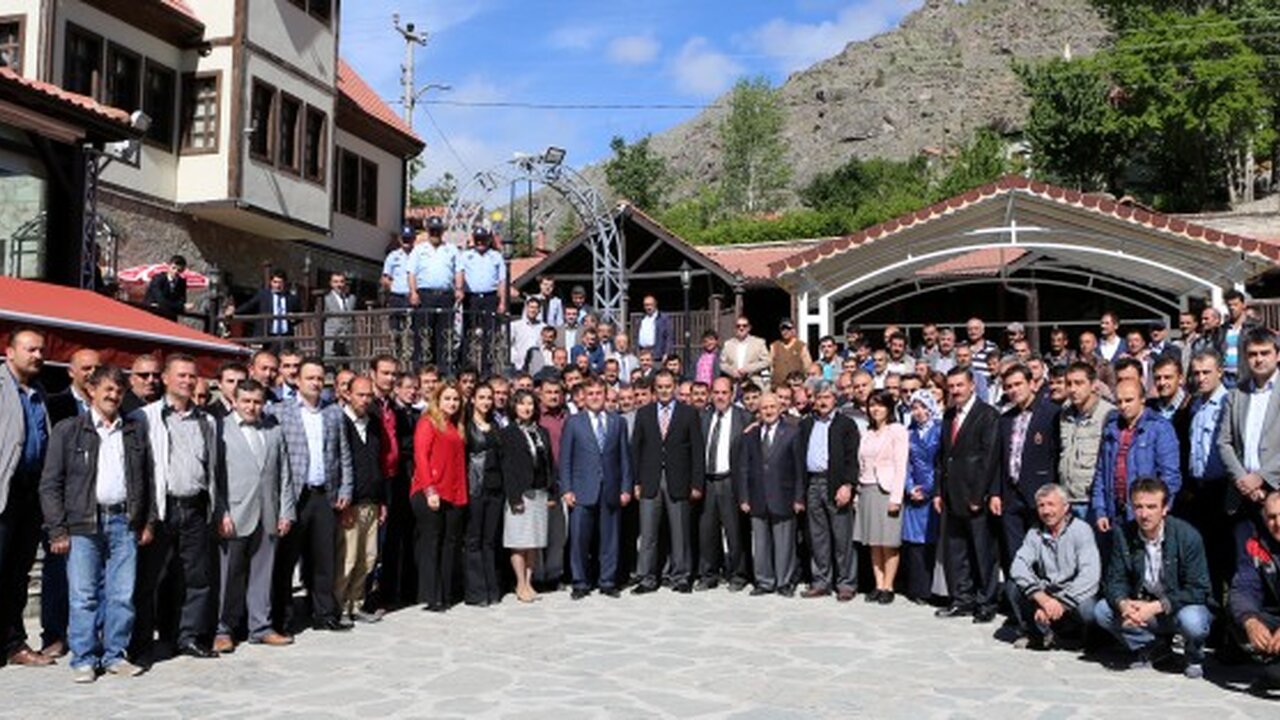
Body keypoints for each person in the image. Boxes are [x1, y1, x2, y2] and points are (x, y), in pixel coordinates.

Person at [39, 366, 151, 682]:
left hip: (124, 521)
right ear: (91, 390)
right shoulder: (68, 430)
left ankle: (115, 654)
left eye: (119, 391)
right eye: (108, 389)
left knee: (121, 595)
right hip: (83, 523)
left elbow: (147, 478)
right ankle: (84, 658)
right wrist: (57, 529)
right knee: (83, 596)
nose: (114, 396)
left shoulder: (134, 430)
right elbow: (50, 484)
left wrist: (147, 521)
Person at [132, 354, 221, 661]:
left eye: (192, 376)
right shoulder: (146, 417)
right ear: (166, 378)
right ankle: (142, 641)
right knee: (151, 578)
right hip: (161, 508)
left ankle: (188, 637)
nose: (187, 381)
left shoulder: (207, 421)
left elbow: (213, 467)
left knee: (196, 577)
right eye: (181, 375)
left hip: (195, 507)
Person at [1094, 477, 1211, 679]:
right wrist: (1123, 604)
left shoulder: (1187, 536)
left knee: (1193, 621)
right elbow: (1115, 580)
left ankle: (1193, 655)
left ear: (1165, 509)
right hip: (1142, 606)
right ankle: (1153, 647)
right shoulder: (1123, 534)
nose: (1144, 514)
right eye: (1138, 507)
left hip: (1178, 607)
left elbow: (1198, 589)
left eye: (1151, 507)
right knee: (1102, 611)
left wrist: (1156, 606)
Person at [269, 358, 354, 634]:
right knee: (286, 558)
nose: (316, 383)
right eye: (310, 378)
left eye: (320, 378)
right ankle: (282, 616)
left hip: (324, 494)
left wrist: (345, 488)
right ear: (297, 381)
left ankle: (323, 613)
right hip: (294, 494)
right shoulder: (279, 411)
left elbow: (343, 453)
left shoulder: (334, 413)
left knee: (323, 558)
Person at [212, 378, 295, 654]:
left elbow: (284, 473)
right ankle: (223, 629)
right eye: (246, 401)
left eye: (257, 402)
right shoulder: (220, 429)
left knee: (263, 574)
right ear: (234, 401)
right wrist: (221, 511)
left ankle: (261, 626)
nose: (251, 406)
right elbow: (214, 477)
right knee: (229, 576)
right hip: (234, 514)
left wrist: (286, 510)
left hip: (268, 512)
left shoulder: (273, 430)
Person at [38, 347, 101, 660]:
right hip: (62, 505)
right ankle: (55, 634)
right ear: (70, 372)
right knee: (57, 573)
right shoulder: (55, 404)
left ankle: (91, 635)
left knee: (95, 577)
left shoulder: (110, 405)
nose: (91, 373)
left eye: (96, 368)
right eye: (85, 368)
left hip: (98, 505)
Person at [934, 366, 1002, 623]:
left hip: (975, 497)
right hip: (952, 495)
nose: (955, 391)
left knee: (982, 552)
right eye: (951, 386)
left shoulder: (987, 415)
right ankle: (962, 599)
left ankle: (986, 602)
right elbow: (943, 456)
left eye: (960, 385)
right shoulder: (948, 415)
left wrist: (978, 494)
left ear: (972, 385)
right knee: (957, 552)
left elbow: (989, 457)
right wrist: (939, 492)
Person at [630, 369, 705, 594]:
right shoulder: (644, 413)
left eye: (668, 386)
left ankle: (681, 576)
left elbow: (697, 451)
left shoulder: (688, 413)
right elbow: (636, 450)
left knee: (680, 532)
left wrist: (696, 483)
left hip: (679, 480)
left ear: (675, 387)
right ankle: (647, 577)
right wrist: (636, 482)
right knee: (648, 533)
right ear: (655, 389)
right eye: (660, 387)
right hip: (650, 480)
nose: (664, 391)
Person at [560, 378, 632, 599]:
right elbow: (565, 459)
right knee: (579, 538)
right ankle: (580, 582)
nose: (594, 397)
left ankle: (607, 581)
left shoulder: (618, 422)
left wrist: (626, 488)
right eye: (590, 393)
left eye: (599, 393)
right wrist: (567, 489)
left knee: (610, 538)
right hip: (582, 489)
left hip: (610, 488)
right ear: (583, 396)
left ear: (605, 394)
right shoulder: (573, 423)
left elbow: (624, 458)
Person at [1007, 484, 1100, 651]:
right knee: (1013, 585)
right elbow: (1019, 564)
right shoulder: (1035, 532)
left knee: (1090, 610)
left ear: (1065, 507)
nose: (1046, 511)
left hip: (1073, 592)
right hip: (1047, 591)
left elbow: (1090, 575)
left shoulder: (1081, 530)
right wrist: (1041, 598)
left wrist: (1061, 604)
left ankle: (1085, 637)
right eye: (1041, 505)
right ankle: (1035, 633)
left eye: (1051, 504)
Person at [992, 365, 1060, 574]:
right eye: (1009, 386)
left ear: (1032, 384)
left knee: (1042, 551)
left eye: (1018, 384)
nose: (1013, 390)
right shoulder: (1005, 419)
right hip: (1010, 494)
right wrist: (995, 493)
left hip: (1039, 493)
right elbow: (999, 458)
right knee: (1015, 552)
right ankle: (1020, 591)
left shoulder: (1051, 413)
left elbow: (1055, 455)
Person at [1092, 379, 1182, 535]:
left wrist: (1160, 508)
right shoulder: (1111, 429)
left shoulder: (1159, 428)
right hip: (1116, 512)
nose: (1123, 406)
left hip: (1146, 513)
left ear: (1142, 399)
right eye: (1119, 401)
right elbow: (1101, 472)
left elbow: (1170, 475)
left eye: (1129, 400)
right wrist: (1100, 510)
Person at [737, 392, 804, 597]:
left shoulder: (792, 433)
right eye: (764, 408)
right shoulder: (751, 435)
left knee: (784, 542)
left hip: (784, 495)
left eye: (772, 407)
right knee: (760, 543)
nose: (768, 411)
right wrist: (744, 497)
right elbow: (744, 467)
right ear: (759, 411)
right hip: (757, 496)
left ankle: (784, 581)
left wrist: (799, 498)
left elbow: (799, 469)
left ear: (780, 408)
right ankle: (764, 581)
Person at [799, 381, 861, 601]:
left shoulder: (846, 424)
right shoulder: (807, 424)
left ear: (835, 399)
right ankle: (821, 581)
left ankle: (846, 583)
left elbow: (852, 457)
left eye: (827, 397)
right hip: (812, 483)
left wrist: (848, 485)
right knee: (818, 537)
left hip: (836, 484)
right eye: (819, 397)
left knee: (842, 536)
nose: (823, 401)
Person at [1180, 351, 1233, 599]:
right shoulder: (1195, 405)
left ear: (1220, 372)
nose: (1201, 378)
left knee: (1226, 555)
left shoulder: (1229, 403)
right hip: (1199, 489)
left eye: (1206, 372)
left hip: (1222, 487)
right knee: (1205, 555)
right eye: (1196, 373)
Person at [412, 381, 468, 612]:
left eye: (456, 399)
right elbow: (421, 457)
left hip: (453, 492)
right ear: (437, 400)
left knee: (449, 543)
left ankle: (445, 593)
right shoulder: (428, 422)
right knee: (432, 542)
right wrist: (430, 489)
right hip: (431, 491)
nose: (452, 403)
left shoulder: (456, 426)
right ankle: (431, 594)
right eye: (447, 398)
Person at [1219, 327, 1280, 537]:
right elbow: (1224, 442)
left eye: (1265, 353)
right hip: (1242, 494)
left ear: (1277, 355)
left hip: (1276, 490)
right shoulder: (1236, 394)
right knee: (1245, 554)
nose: (1259, 359)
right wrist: (1244, 480)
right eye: (1253, 354)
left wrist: (1261, 477)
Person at [335, 377, 385, 624]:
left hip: (372, 501)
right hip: (350, 503)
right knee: (348, 558)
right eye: (360, 395)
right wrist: (343, 502)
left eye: (369, 396)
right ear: (348, 394)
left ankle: (356, 604)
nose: (365, 400)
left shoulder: (374, 423)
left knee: (368, 557)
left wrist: (381, 500)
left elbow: (378, 462)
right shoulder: (340, 423)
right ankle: (340, 607)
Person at [698, 377, 752, 593]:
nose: (720, 397)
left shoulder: (744, 418)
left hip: (731, 480)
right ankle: (709, 574)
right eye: (717, 393)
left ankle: (738, 574)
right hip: (708, 481)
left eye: (724, 393)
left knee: (734, 531)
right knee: (707, 531)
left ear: (732, 394)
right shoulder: (704, 417)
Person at [501, 389, 555, 603]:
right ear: (514, 407)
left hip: (539, 492)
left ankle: (529, 582)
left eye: (530, 403)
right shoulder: (508, 433)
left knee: (534, 541)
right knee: (519, 540)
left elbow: (549, 462)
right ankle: (520, 583)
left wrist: (551, 490)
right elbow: (507, 467)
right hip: (520, 494)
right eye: (522, 403)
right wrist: (514, 497)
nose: (527, 408)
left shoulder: (541, 431)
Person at [855, 391, 908, 603]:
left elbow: (901, 465)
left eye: (880, 405)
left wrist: (896, 497)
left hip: (886, 490)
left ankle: (888, 585)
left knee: (888, 541)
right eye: (872, 405)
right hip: (867, 489)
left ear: (888, 408)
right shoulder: (867, 432)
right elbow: (862, 463)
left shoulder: (896, 430)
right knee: (873, 541)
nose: (875, 409)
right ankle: (878, 584)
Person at [1228, 491, 1280, 693]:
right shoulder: (1254, 539)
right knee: (1238, 617)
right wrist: (1250, 620)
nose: (1278, 523)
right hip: (1274, 614)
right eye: (1272, 517)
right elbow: (1244, 585)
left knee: (1275, 675)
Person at [463, 383, 504, 607]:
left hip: (495, 488)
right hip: (475, 488)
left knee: (489, 540)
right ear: (473, 400)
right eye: (482, 397)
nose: (486, 402)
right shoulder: (467, 426)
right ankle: (476, 591)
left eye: (489, 397)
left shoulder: (495, 425)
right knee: (474, 540)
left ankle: (492, 588)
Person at [1059, 362, 1115, 519]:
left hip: (1092, 501)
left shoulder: (1108, 414)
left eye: (1079, 383)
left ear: (1093, 385)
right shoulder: (1065, 414)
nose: (1073, 389)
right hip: (1067, 497)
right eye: (1069, 384)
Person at [903, 390, 942, 604]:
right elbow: (905, 463)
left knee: (933, 541)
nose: (918, 412)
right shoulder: (909, 432)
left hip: (935, 492)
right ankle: (918, 589)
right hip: (914, 494)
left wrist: (929, 489)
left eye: (922, 407)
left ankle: (934, 589)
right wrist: (910, 487)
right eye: (914, 408)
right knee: (915, 543)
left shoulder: (940, 430)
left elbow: (941, 463)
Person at [408, 219, 462, 371]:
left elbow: (458, 270)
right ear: (427, 231)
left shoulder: (451, 249)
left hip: (446, 295)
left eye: (438, 230)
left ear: (442, 231)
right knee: (422, 334)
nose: (435, 233)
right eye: (432, 230)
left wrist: (459, 288)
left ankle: (443, 370)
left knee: (444, 334)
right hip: (425, 295)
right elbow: (411, 273)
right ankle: (421, 370)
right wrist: (413, 292)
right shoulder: (419, 250)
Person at [459, 227, 506, 376]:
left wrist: (502, 302)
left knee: (489, 333)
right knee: (468, 332)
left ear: (488, 240)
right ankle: (465, 366)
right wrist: (459, 290)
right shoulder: (465, 256)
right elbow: (459, 274)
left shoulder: (496, 256)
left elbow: (502, 280)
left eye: (483, 239)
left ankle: (487, 369)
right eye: (477, 239)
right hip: (471, 297)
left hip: (490, 297)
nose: (480, 242)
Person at [229, 269, 301, 346]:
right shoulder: (263, 295)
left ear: (285, 283)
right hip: (267, 337)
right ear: (271, 282)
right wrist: (234, 312)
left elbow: (299, 315)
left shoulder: (291, 298)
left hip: (285, 337)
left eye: (280, 282)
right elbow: (249, 306)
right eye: (275, 282)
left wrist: (294, 318)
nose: (277, 285)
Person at [382, 225, 417, 346]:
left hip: (413, 296)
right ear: (400, 239)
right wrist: (393, 287)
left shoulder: (418, 255)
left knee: (414, 329)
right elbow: (385, 277)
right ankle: (396, 351)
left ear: (414, 239)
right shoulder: (393, 256)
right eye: (404, 238)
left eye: (409, 238)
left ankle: (412, 353)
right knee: (395, 330)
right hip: (397, 297)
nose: (407, 241)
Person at [720, 316, 771, 390]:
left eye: (744, 326)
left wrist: (748, 369)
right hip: (734, 384)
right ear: (735, 329)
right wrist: (732, 371)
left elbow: (767, 361)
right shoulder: (728, 344)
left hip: (753, 383)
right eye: (738, 326)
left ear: (749, 328)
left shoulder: (759, 343)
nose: (741, 328)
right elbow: (722, 363)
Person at [1223, 290, 1261, 387]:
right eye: (1229, 305)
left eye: (1235, 304)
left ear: (1243, 305)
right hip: (1225, 377)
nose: (1231, 308)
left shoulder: (1254, 327)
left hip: (1246, 376)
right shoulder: (1223, 329)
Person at [143, 255, 190, 321]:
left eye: (179, 270)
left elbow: (182, 301)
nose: (175, 271)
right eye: (173, 268)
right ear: (169, 266)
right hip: (153, 316)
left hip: (170, 318)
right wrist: (179, 306)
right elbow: (161, 301)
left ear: (183, 270)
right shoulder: (158, 279)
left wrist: (180, 306)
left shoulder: (181, 282)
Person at [322, 272, 356, 360]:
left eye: (341, 282)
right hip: (332, 338)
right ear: (331, 283)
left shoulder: (352, 298)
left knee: (348, 364)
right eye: (336, 282)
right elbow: (322, 319)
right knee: (331, 364)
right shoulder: (325, 299)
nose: (339, 285)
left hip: (348, 339)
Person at [509, 298, 545, 373]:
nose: (533, 310)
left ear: (539, 310)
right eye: (531, 307)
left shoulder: (543, 327)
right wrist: (515, 358)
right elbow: (510, 345)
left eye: (536, 308)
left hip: (537, 365)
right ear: (526, 308)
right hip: (519, 365)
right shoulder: (515, 325)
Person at [771, 320, 812, 386]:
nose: (785, 332)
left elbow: (807, 366)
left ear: (793, 330)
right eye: (783, 329)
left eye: (788, 329)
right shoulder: (774, 346)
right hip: (778, 385)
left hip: (796, 385)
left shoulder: (801, 346)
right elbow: (770, 366)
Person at [635, 295, 673, 360]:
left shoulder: (663, 319)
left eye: (650, 304)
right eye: (646, 305)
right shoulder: (641, 319)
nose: (648, 307)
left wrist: (667, 353)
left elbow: (669, 337)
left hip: (657, 354)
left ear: (655, 304)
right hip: (643, 353)